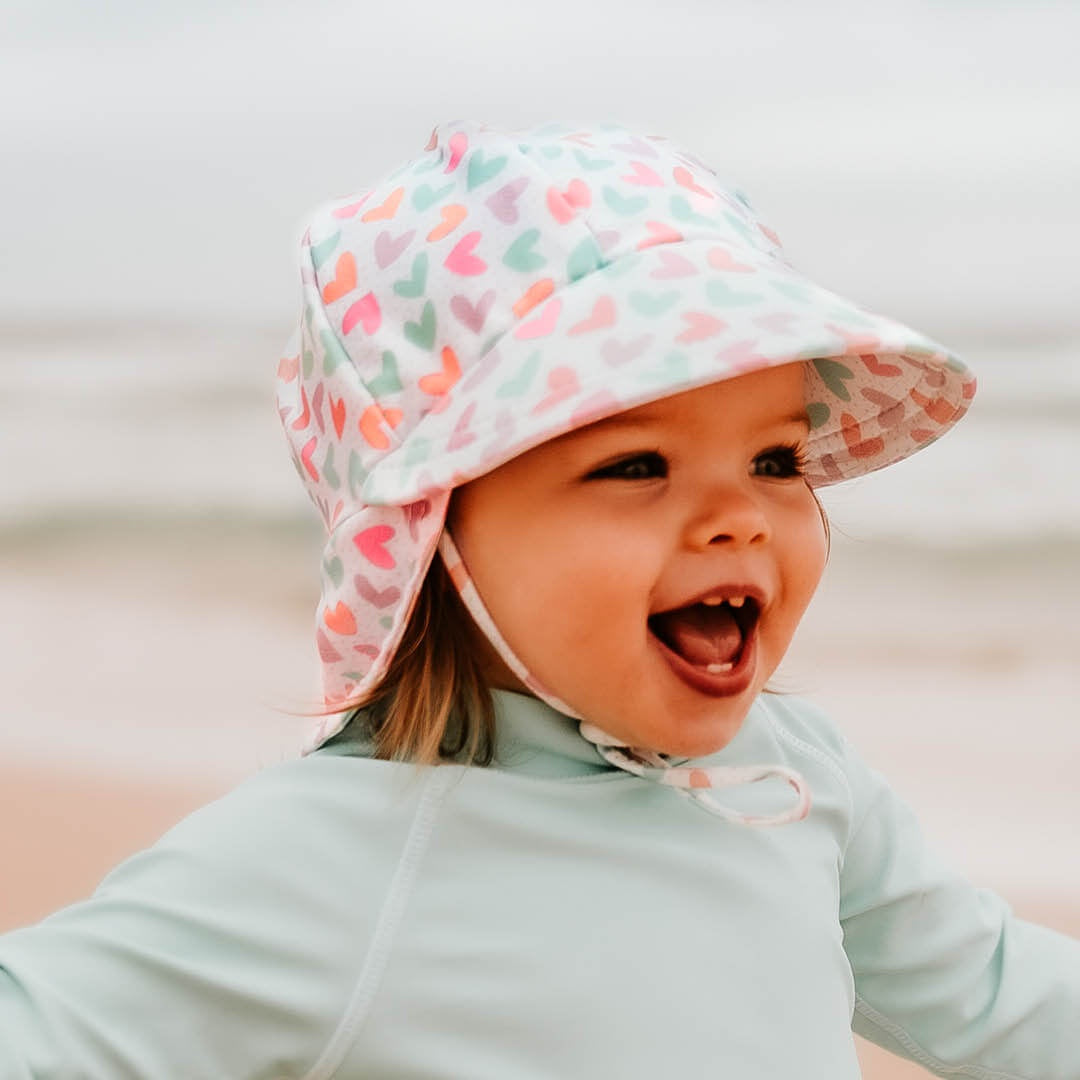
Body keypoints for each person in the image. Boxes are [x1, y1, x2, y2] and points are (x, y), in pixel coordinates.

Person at [0, 119, 1077, 1078]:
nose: (739, 516)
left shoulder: (794, 776)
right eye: (636, 465)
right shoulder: (331, 859)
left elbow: (999, 995)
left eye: (777, 461)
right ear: (432, 527)